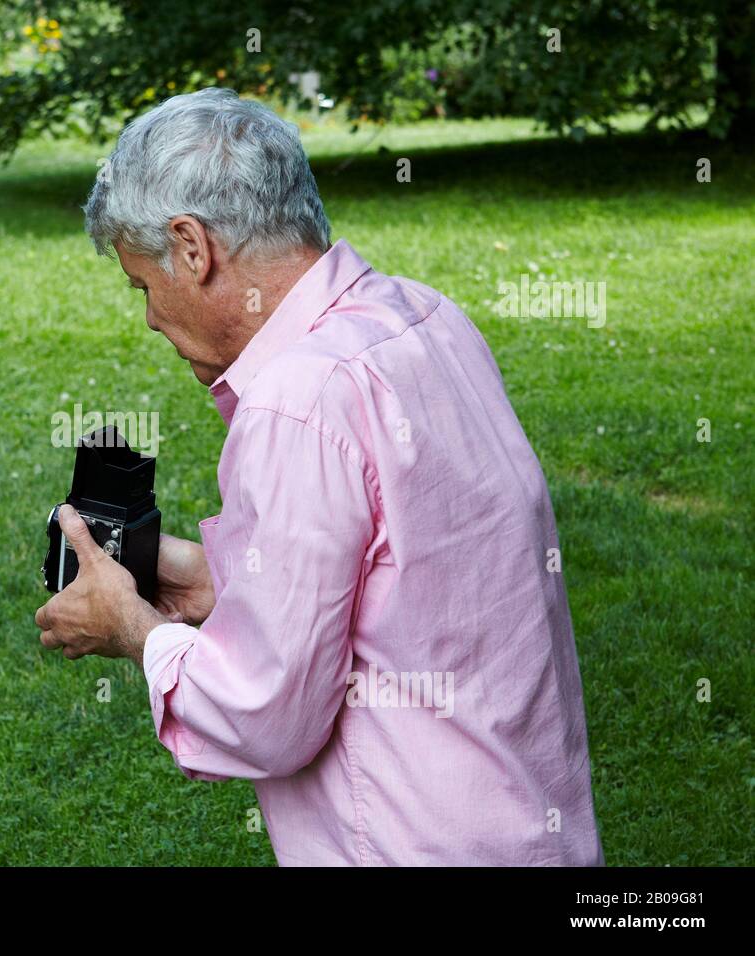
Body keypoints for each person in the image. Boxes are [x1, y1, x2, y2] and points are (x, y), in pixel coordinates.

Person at [35, 88, 604, 865]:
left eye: (144, 285)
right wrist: (213, 581)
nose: (150, 318)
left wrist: (135, 632)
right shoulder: (424, 317)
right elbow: (416, 571)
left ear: (192, 247)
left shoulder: (296, 403)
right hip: (528, 825)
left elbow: (265, 716)